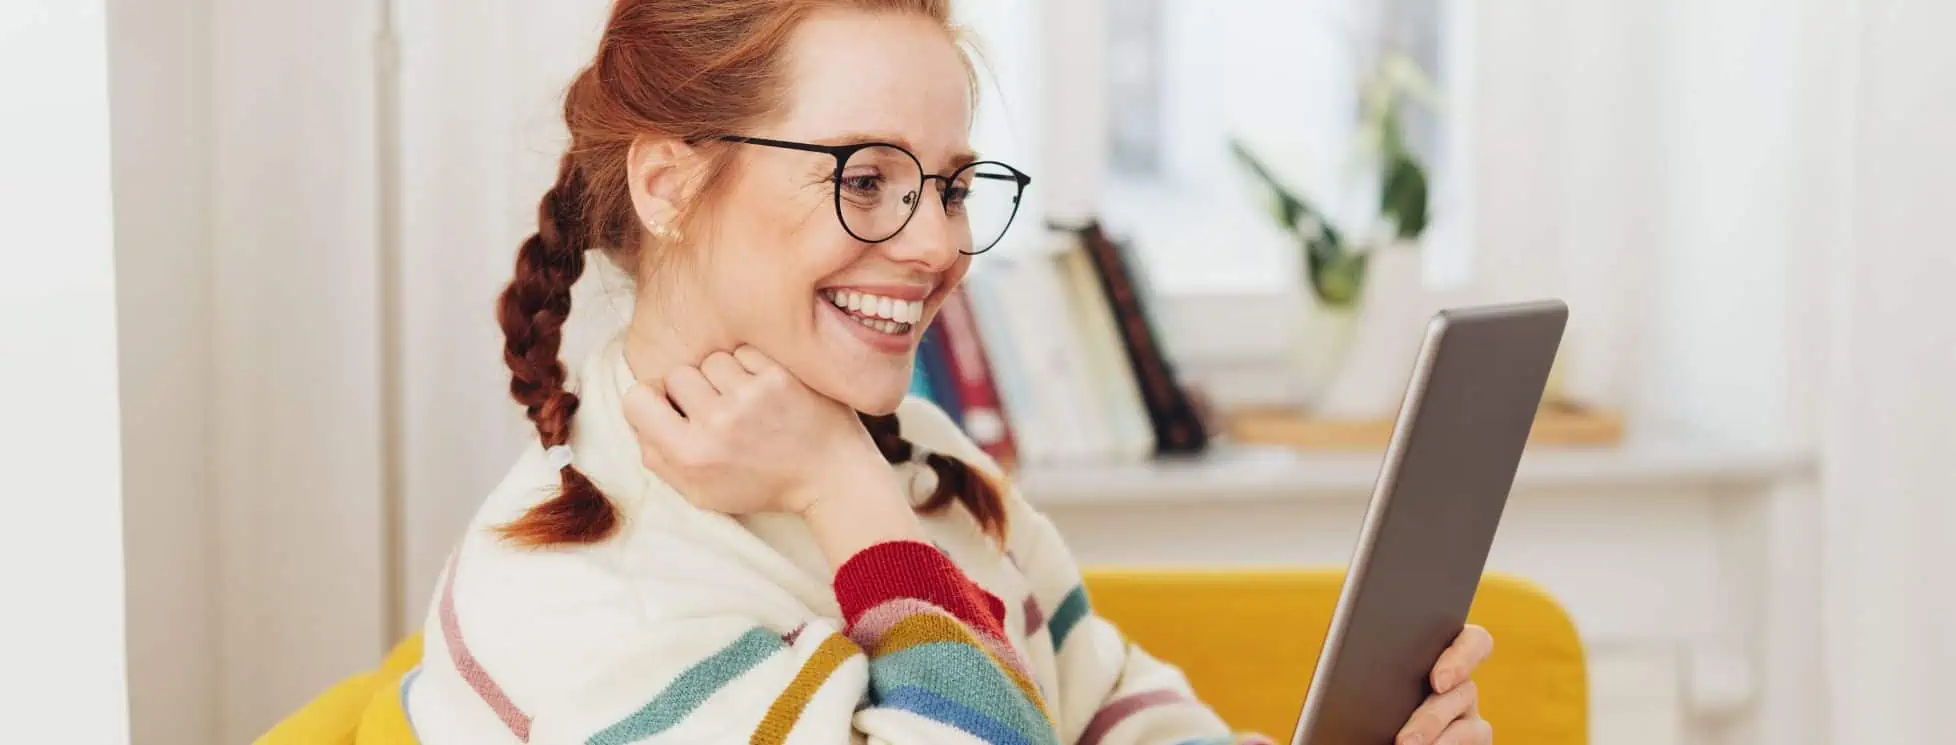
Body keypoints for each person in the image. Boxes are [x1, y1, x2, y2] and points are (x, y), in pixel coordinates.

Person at [401, 1, 1496, 743]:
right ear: (668, 186)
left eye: (952, 186)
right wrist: (842, 493)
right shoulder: (580, 582)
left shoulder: (926, 462)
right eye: (865, 179)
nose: (935, 245)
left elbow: (1103, 707)